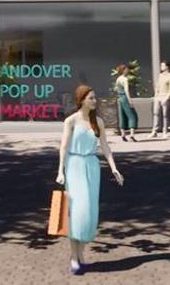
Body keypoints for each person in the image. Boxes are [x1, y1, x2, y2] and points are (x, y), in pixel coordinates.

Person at [56, 84, 124, 275]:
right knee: (78, 211)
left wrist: (114, 168)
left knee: (89, 214)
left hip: (92, 168)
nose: (95, 101)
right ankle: (74, 256)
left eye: (95, 98)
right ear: (81, 99)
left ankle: (79, 253)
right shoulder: (71, 121)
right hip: (74, 166)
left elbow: (105, 146)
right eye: (91, 98)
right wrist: (60, 170)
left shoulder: (98, 122)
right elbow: (63, 146)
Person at [113, 65, 138, 141]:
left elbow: (116, 89)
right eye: (126, 69)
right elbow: (126, 90)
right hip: (125, 98)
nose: (127, 71)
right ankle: (132, 135)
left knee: (122, 116)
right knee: (132, 116)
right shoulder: (125, 79)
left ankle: (123, 134)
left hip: (119, 98)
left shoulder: (118, 79)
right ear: (123, 70)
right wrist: (130, 101)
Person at [152, 62, 170, 137]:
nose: (161, 67)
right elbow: (157, 86)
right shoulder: (160, 75)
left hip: (165, 96)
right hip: (158, 96)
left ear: (167, 67)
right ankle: (154, 131)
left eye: (163, 65)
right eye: (161, 65)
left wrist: (167, 98)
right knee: (156, 114)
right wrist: (155, 95)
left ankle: (165, 132)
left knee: (165, 115)